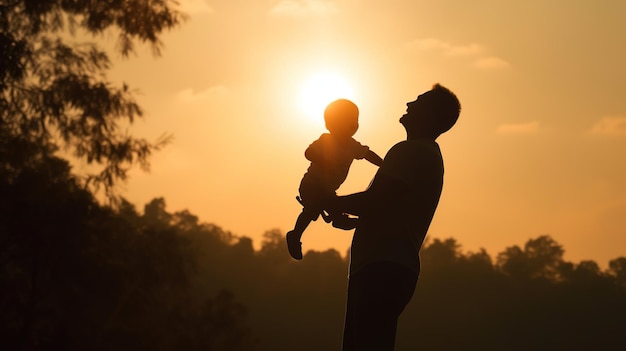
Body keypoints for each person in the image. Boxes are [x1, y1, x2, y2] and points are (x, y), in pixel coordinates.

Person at [330, 84, 461, 350]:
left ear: (431, 114)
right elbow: (388, 208)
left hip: (381, 268)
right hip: (388, 267)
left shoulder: (410, 151)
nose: (409, 104)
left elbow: (375, 200)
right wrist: (349, 215)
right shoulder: (425, 154)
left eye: (419, 102)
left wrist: (327, 201)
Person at [286, 98, 383, 260]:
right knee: (312, 209)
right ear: (331, 124)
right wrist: (323, 160)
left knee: (334, 205)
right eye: (347, 120)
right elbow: (308, 153)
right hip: (312, 185)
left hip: (328, 189)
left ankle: (339, 219)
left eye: (355, 120)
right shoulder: (326, 140)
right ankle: (295, 235)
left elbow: (367, 154)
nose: (353, 124)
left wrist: (384, 164)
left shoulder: (352, 146)